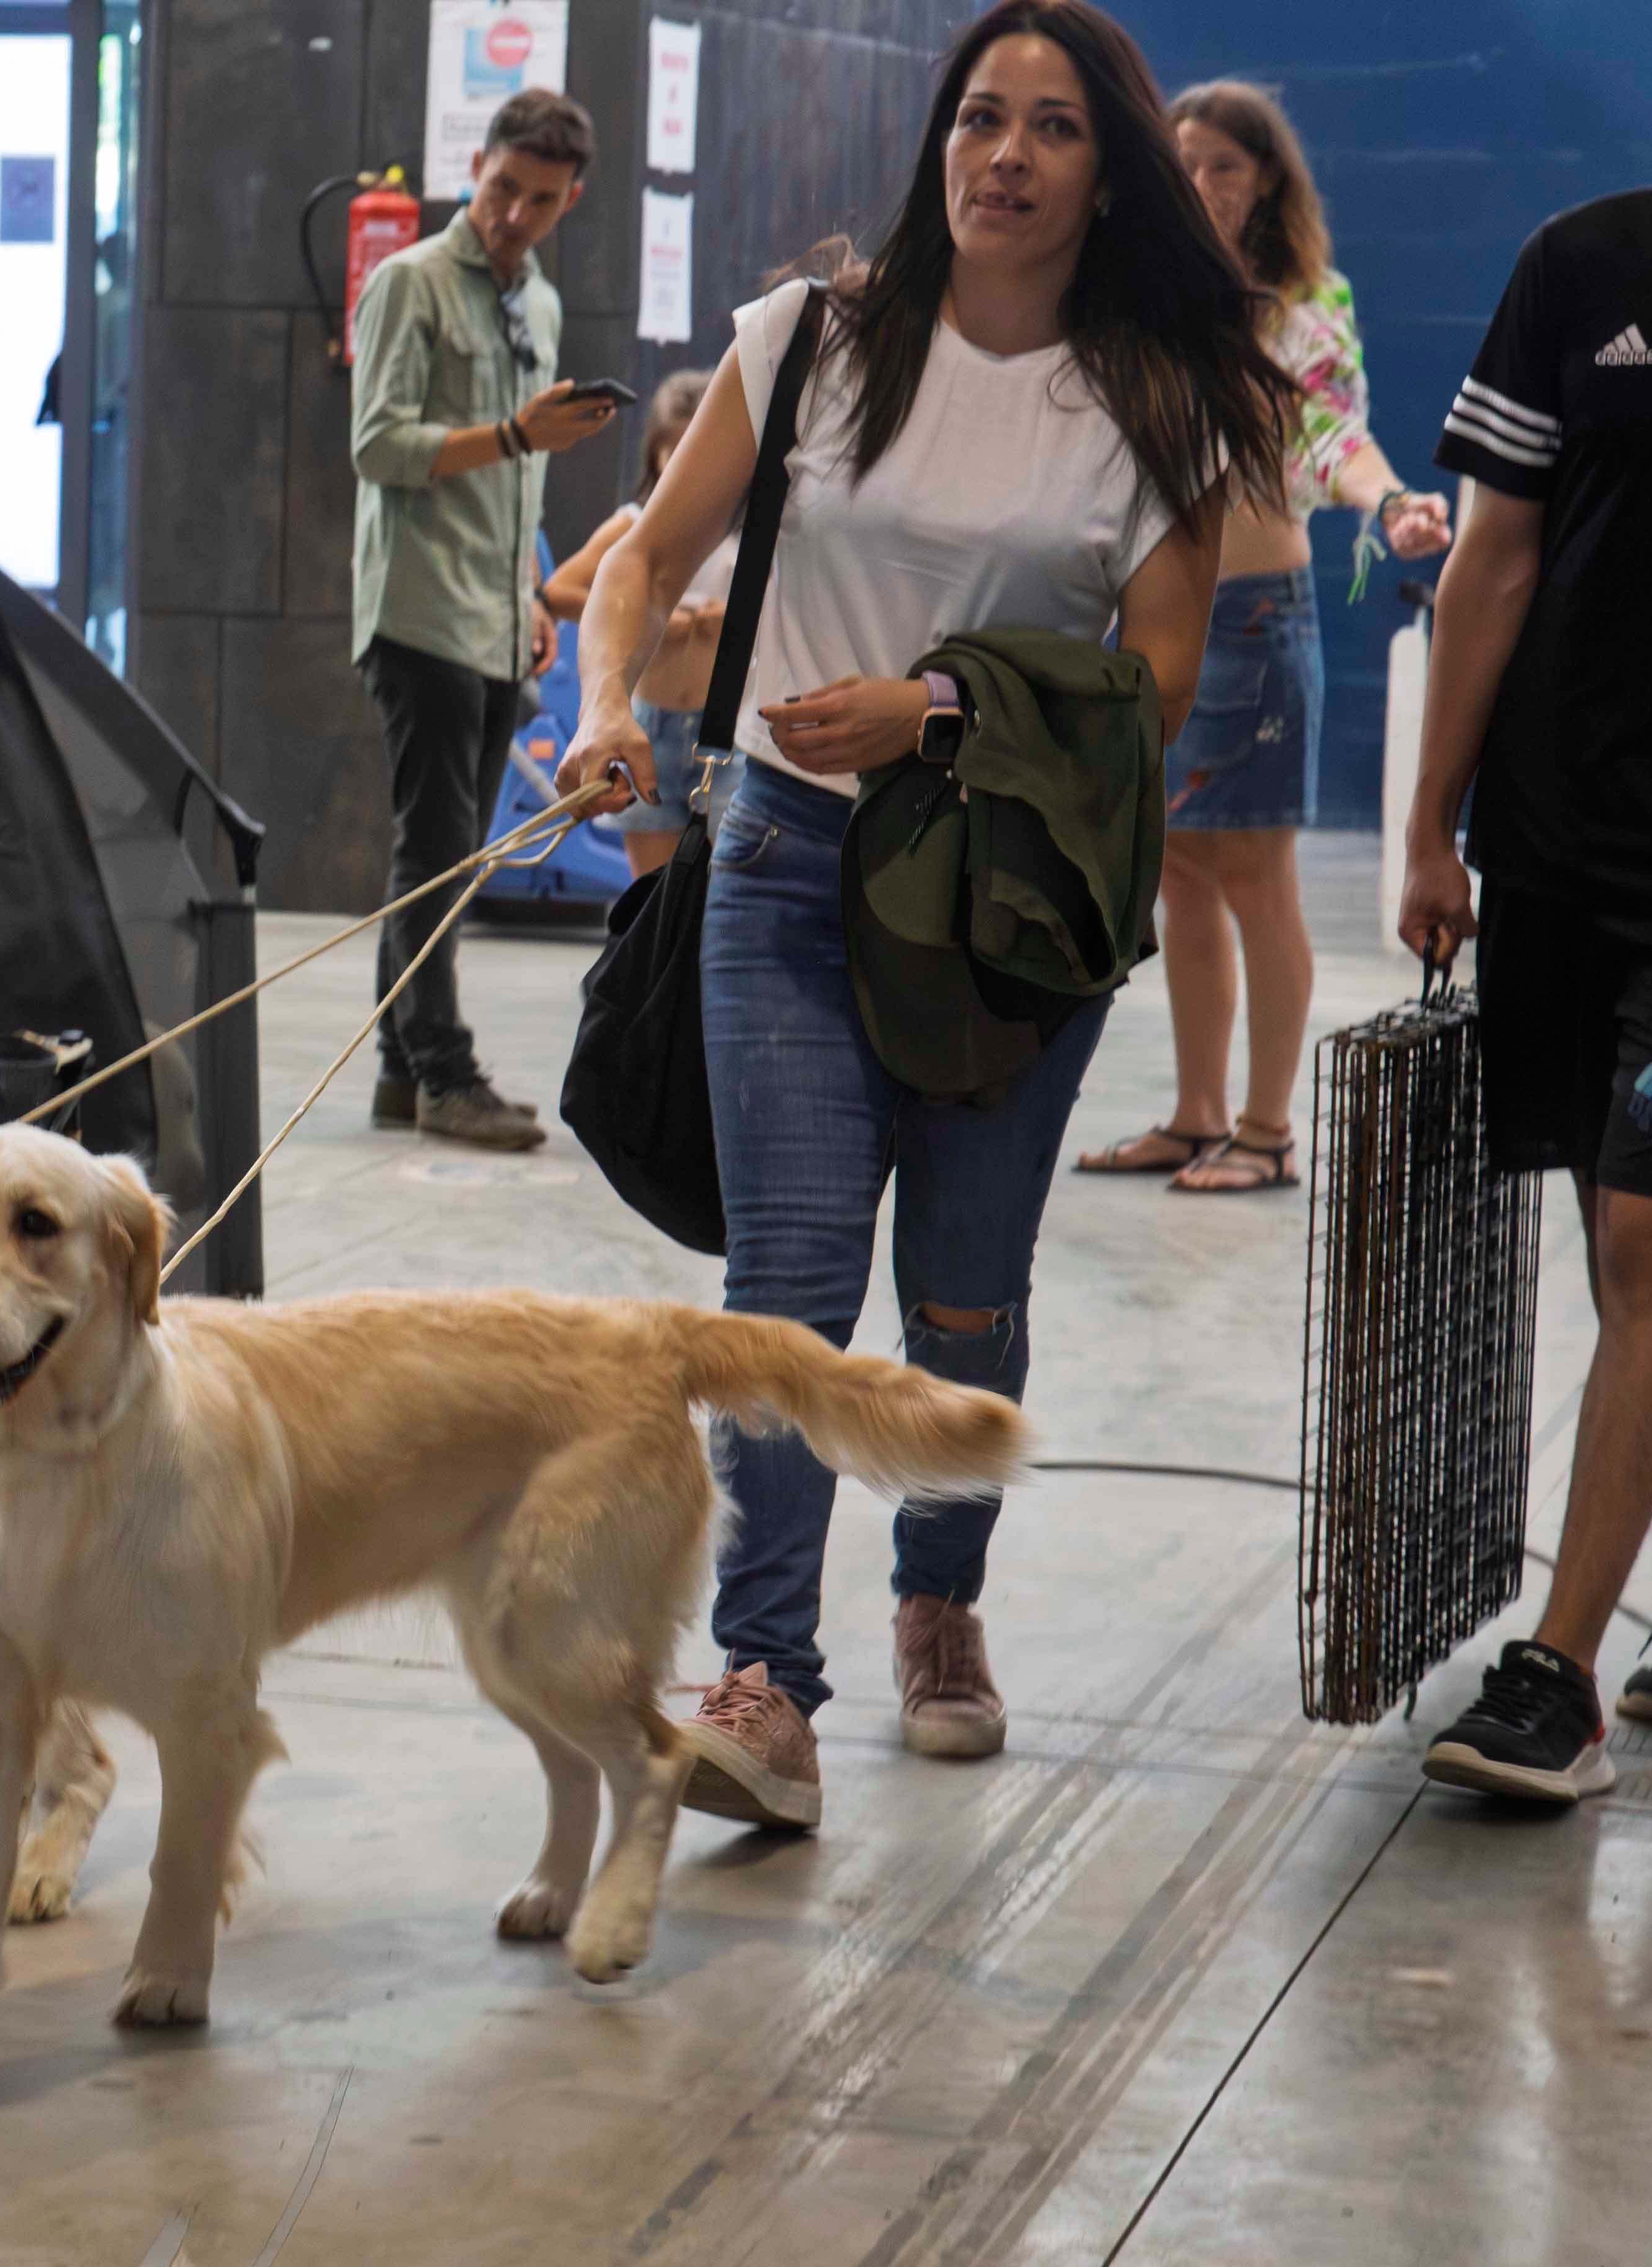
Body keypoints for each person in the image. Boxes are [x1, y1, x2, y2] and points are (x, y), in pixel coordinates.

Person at [563, 0, 1292, 1827]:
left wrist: (937, 709)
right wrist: (601, 717)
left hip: (1015, 895)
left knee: (962, 1303)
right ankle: (766, 1680)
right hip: (789, 867)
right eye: (982, 116)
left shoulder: (1161, 402)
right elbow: (644, 554)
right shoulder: (812, 338)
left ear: (1103, 169)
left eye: (1053, 126)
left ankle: (940, 1603)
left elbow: (1156, 681)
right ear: (939, 142)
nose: (1007, 153)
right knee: (793, 1282)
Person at [1405, 0, 1652, 1806]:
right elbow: (1496, 556)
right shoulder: (1576, 268)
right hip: (1555, 852)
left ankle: (1559, 1672)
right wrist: (1436, 822)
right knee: (1638, 1249)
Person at [1074, 82, 1453, 1194]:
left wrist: (1388, 508)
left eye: (1224, 166)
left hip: (1253, 617)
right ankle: (1197, 1113)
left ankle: (1266, 1128)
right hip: (1156, 618)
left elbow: (1334, 430)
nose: (1200, 185)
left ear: (1265, 181)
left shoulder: (1300, 300)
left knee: (1255, 877)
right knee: (1178, 875)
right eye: (1182, 162)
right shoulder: (1145, 295)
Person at [351, 86, 615, 1153]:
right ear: (479, 167)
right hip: (417, 607)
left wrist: (528, 598)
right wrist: (511, 433)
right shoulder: (409, 283)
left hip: (495, 611)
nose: (514, 215)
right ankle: (443, 1074)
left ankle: (393, 1073)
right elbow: (377, 447)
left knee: (446, 848)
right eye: (503, 189)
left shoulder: (537, 304)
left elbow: (524, 485)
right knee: (440, 851)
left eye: (540, 201)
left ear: (570, 199)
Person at [541, 367, 736, 879]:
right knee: (652, 904)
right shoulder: (635, 524)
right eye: (679, 456)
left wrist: (730, 620)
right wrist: (648, 620)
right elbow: (559, 590)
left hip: (728, 731)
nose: (694, 470)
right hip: (651, 727)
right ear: (656, 453)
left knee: (723, 899)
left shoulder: (747, 530)